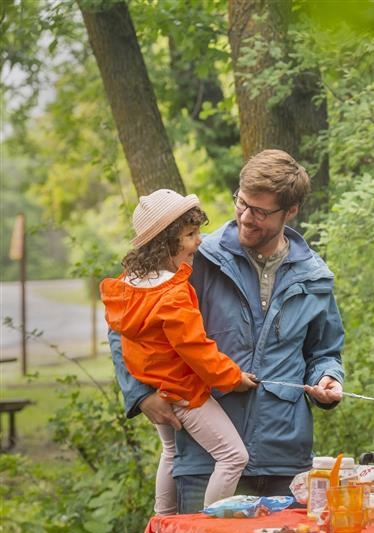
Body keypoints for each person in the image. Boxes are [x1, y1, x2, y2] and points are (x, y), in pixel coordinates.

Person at [109, 150, 345, 513]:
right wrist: (140, 394)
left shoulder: (315, 276)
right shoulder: (196, 258)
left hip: (285, 462)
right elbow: (128, 321)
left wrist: (328, 378)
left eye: (262, 212)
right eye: (242, 203)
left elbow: (324, 351)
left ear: (291, 211)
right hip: (205, 461)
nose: (247, 218)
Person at [101, 189, 259, 515]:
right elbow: (196, 348)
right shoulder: (172, 294)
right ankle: (209, 529)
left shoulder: (129, 287)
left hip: (157, 386)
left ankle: (163, 519)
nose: (198, 241)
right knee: (233, 456)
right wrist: (233, 378)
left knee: (170, 450)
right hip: (182, 390)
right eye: (189, 234)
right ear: (163, 242)